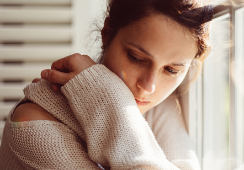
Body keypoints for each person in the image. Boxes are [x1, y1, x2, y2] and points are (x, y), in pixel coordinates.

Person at [0, 0, 213, 169]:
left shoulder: (156, 104)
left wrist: (109, 92)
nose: (148, 86)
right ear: (106, 33)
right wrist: (108, 95)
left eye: (171, 70)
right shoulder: (33, 125)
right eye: (136, 58)